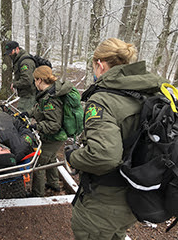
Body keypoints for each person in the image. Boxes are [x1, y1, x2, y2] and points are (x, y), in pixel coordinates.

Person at [65, 38, 166, 240]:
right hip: (138, 196)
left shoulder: (103, 100)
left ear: (100, 64)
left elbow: (104, 156)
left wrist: (73, 157)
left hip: (105, 202)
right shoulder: (151, 92)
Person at [22, 65, 74, 197]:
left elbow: (53, 125)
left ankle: (37, 194)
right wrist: (27, 113)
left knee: (39, 163)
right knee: (50, 159)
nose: (34, 83)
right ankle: (54, 184)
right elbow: (39, 109)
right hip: (54, 136)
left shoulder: (51, 99)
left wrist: (37, 126)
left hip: (55, 136)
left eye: (35, 80)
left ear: (39, 80)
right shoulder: (47, 94)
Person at [5, 41, 36, 111]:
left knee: (22, 118)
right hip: (24, 94)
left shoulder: (25, 62)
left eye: (11, 52)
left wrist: (15, 84)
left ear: (17, 49)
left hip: (29, 94)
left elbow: (27, 80)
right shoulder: (18, 60)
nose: (10, 54)